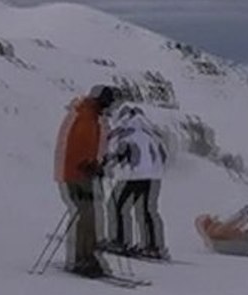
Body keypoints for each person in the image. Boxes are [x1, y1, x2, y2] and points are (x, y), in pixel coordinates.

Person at [53, 85, 116, 278]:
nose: (108, 107)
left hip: (81, 172)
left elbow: (90, 146)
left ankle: (86, 256)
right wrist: (88, 164)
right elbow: (76, 145)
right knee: (85, 213)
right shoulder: (85, 116)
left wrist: (97, 163)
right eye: (106, 102)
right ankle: (81, 259)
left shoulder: (92, 116)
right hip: (75, 173)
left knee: (89, 213)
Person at [100, 104, 170, 260]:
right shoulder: (151, 133)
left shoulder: (127, 133)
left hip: (134, 175)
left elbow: (119, 154)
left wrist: (106, 163)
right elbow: (164, 155)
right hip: (154, 177)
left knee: (117, 205)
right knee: (147, 210)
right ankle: (153, 246)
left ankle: (120, 241)